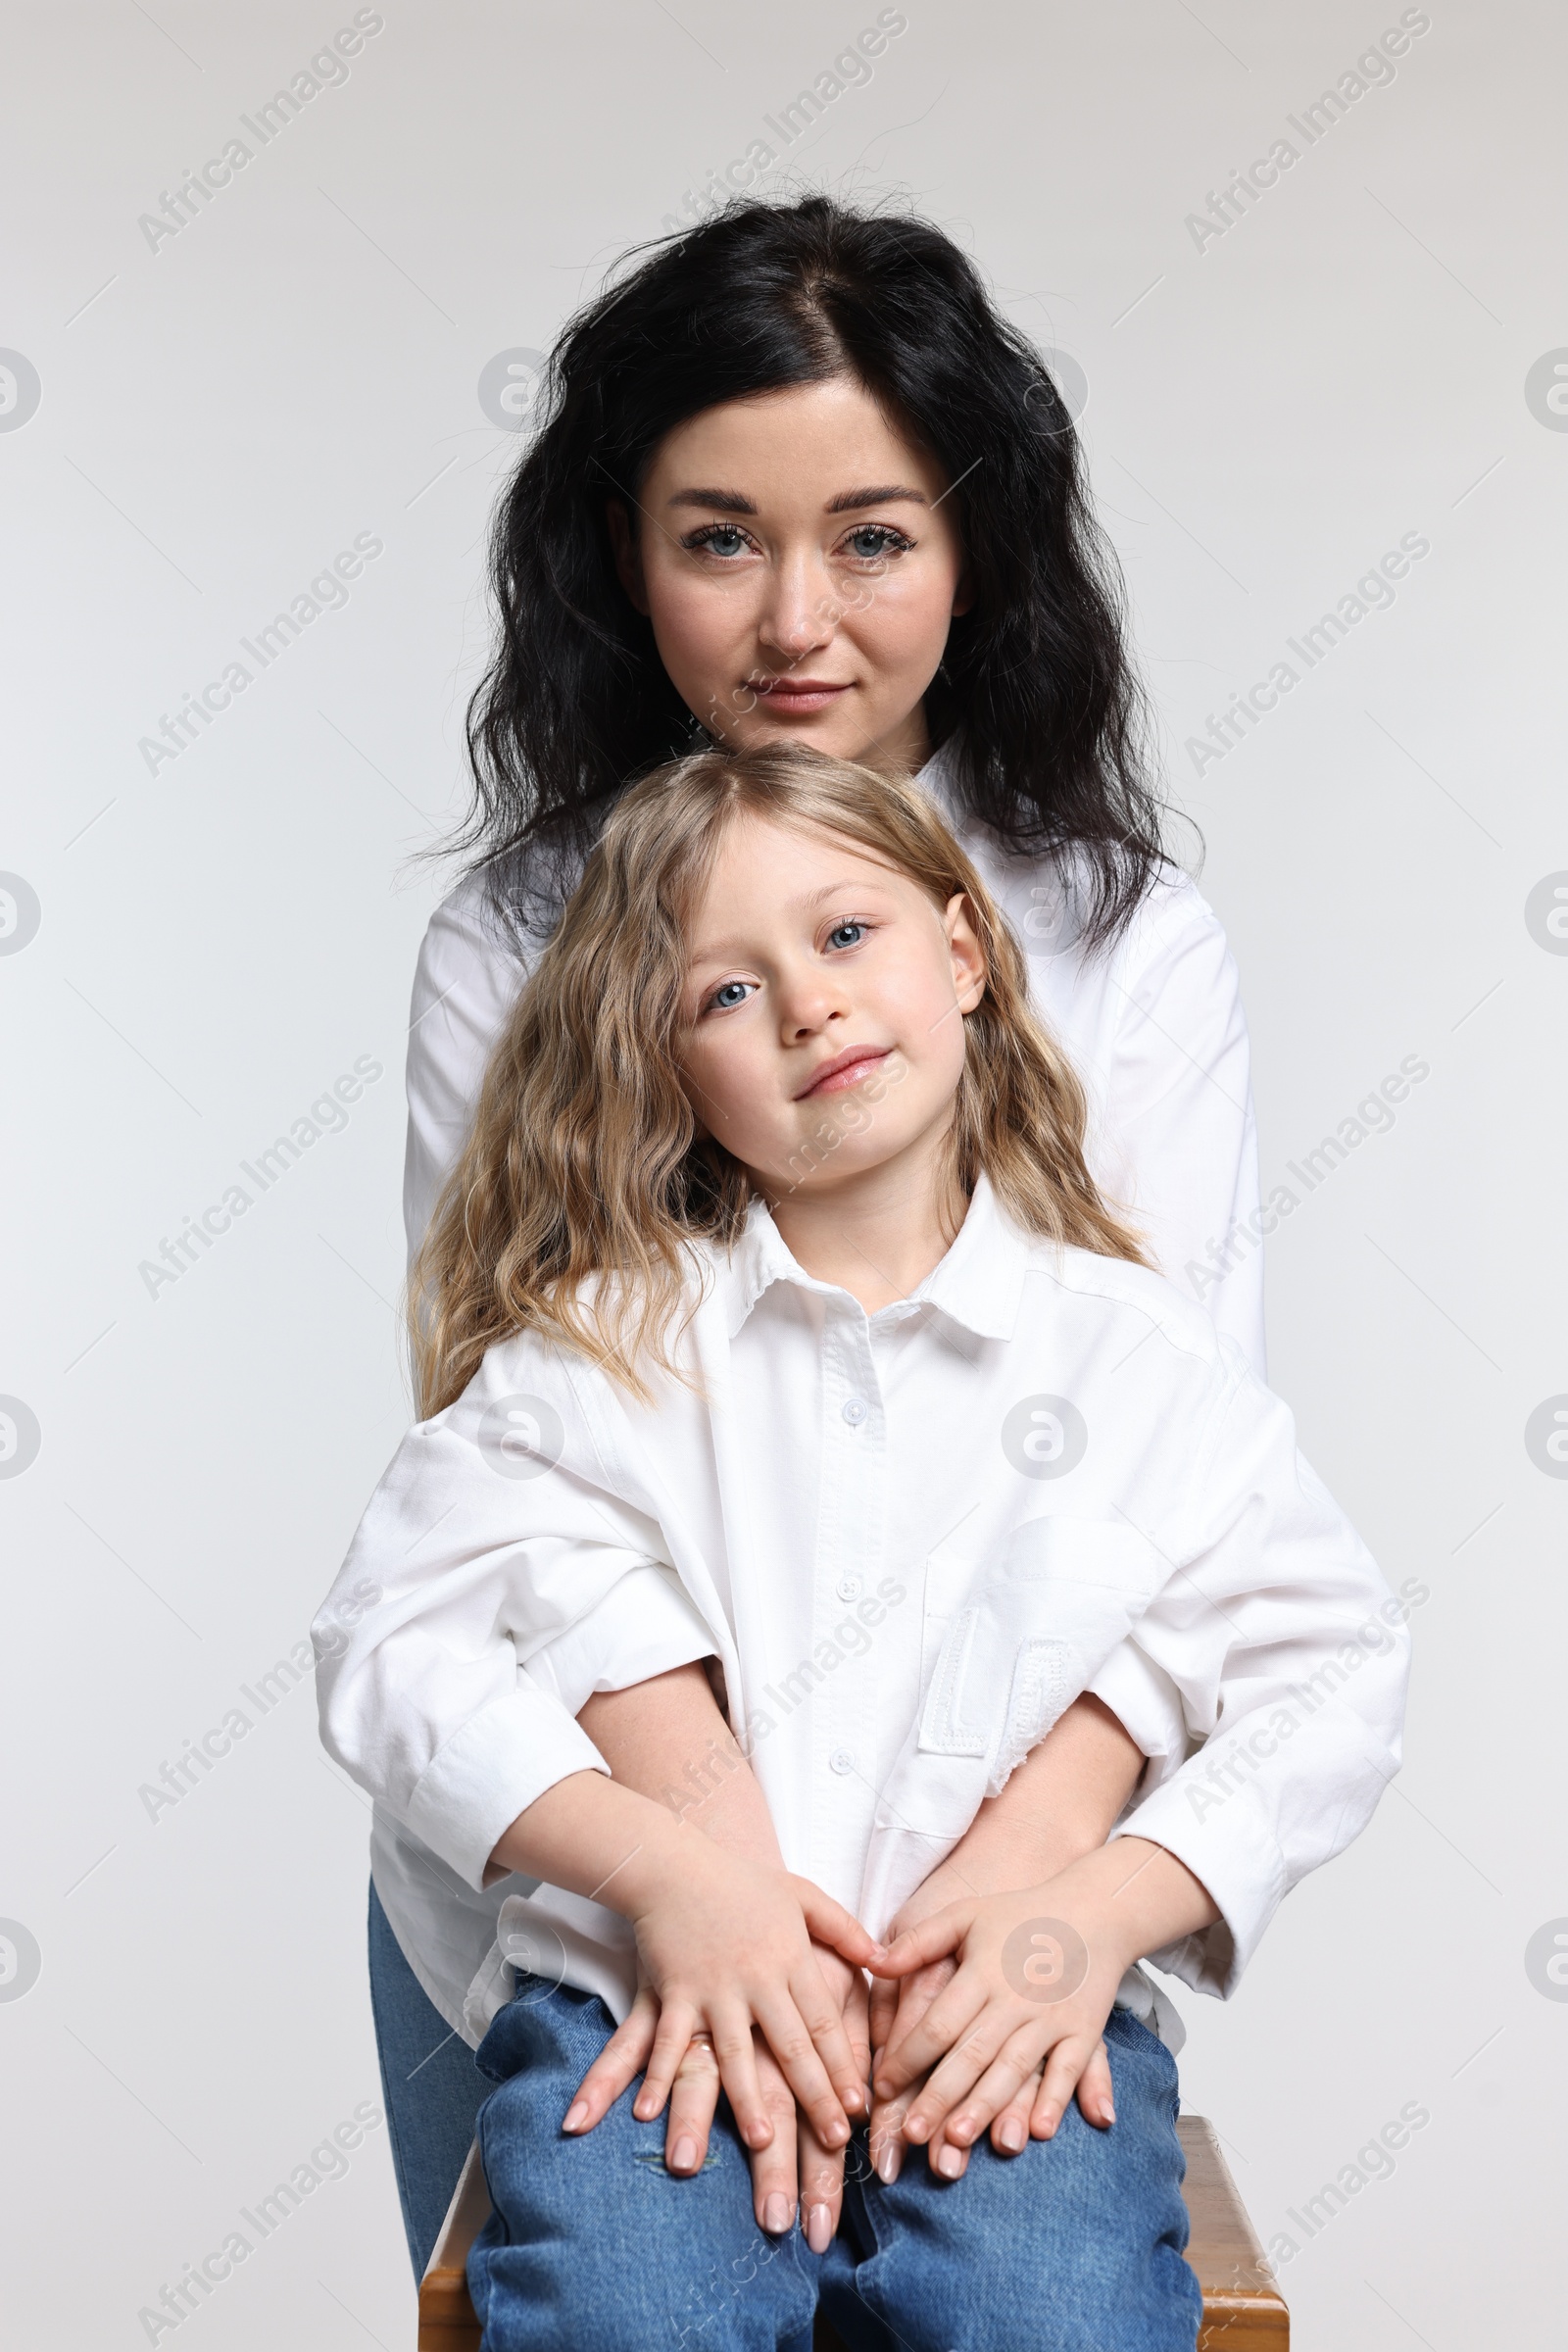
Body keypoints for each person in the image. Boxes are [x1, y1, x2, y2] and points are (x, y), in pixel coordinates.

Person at [375, 191, 1269, 2277]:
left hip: (993, 1904)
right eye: (718, 539)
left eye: (870, 537)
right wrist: (713, 1884)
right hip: (600, 1891)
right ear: (623, 552)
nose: (796, 620)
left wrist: (1024, 1886)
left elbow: (1184, 1496)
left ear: (975, 550)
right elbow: (504, 1502)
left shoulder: (1126, 946)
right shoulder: (511, 940)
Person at [317, 744, 1409, 2351]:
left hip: (1010, 2025)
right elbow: (387, 1639)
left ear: (963, 954)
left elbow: (1335, 1666)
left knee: (1053, 2314)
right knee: (632, 2318)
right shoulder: (594, 1353)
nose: (809, 1008)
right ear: (669, 1069)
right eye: (726, 995)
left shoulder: (1139, 1361)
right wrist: (672, 1878)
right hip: (649, 2017)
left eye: (844, 938)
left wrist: (1102, 1910)